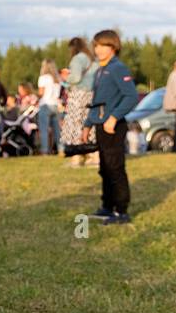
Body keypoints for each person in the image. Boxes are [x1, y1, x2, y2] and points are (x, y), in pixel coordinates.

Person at [84, 30, 140, 224]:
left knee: (115, 168)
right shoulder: (100, 70)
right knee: (105, 168)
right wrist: (87, 124)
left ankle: (121, 211)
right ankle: (107, 206)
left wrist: (114, 117)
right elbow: (98, 101)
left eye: (101, 45)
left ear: (113, 47)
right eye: (96, 45)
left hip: (113, 127)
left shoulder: (118, 68)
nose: (97, 49)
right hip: (101, 126)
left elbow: (131, 96)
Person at [61, 37, 99, 167]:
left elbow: (76, 78)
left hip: (78, 94)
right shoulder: (93, 59)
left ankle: (76, 157)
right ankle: (93, 155)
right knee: (89, 125)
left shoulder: (77, 59)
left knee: (75, 124)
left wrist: (67, 77)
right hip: (91, 94)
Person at [37, 59, 62, 155]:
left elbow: (41, 93)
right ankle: (61, 149)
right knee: (57, 130)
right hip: (55, 105)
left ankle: (45, 150)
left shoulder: (43, 78)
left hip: (45, 105)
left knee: (44, 130)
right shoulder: (57, 79)